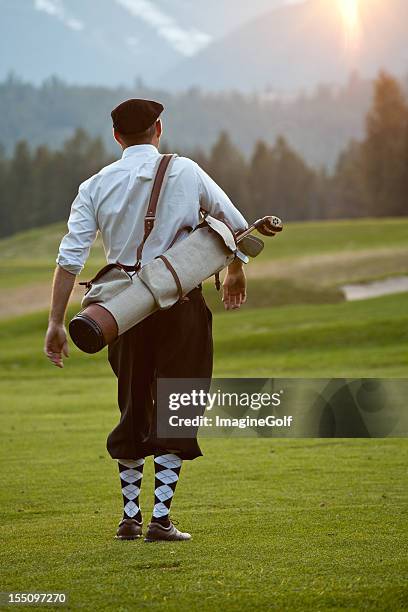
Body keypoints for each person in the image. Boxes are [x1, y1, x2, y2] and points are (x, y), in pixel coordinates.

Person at [44, 99, 247, 542]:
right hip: (183, 305)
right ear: (159, 129)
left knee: (133, 406)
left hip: (122, 312)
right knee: (177, 408)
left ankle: (130, 518)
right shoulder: (187, 171)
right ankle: (161, 520)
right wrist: (235, 268)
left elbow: (70, 259)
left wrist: (56, 322)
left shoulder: (94, 185)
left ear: (116, 136)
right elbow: (236, 226)